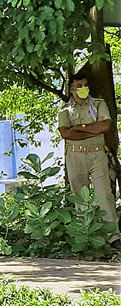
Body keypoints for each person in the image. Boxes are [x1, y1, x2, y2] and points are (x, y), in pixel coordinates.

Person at [57, 74, 121, 250]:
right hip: (75, 156)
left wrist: (78, 128)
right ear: (71, 89)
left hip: (97, 155)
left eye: (85, 85)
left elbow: (105, 126)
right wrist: (92, 130)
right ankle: (86, 237)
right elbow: (65, 133)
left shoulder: (99, 104)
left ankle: (113, 238)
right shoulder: (64, 111)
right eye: (79, 86)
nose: (83, 88)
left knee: (104, 195)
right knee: (79, 196)